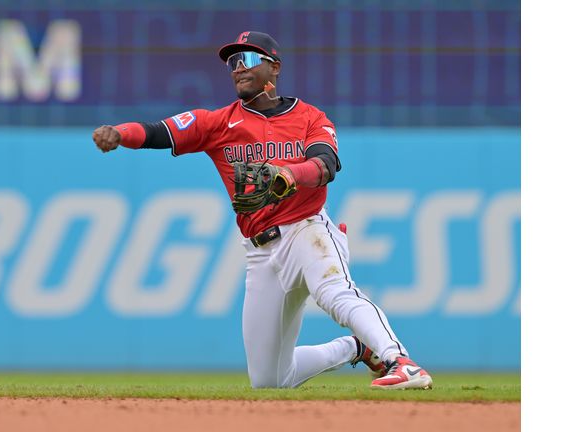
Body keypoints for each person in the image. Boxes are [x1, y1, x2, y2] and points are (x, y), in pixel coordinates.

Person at [92, 31, 432, 390]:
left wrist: (289, 173)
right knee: (268, 379)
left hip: (307, 230)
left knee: (335, 293)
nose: (239, 68)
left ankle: (402, 362)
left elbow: (327, 164)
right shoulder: (219, 124)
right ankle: (356, 348)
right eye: (233, 62)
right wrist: (119, 133)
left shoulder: (309, 117)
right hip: (260, 250)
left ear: (274, 68)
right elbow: (159, 131)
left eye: (249, 60)